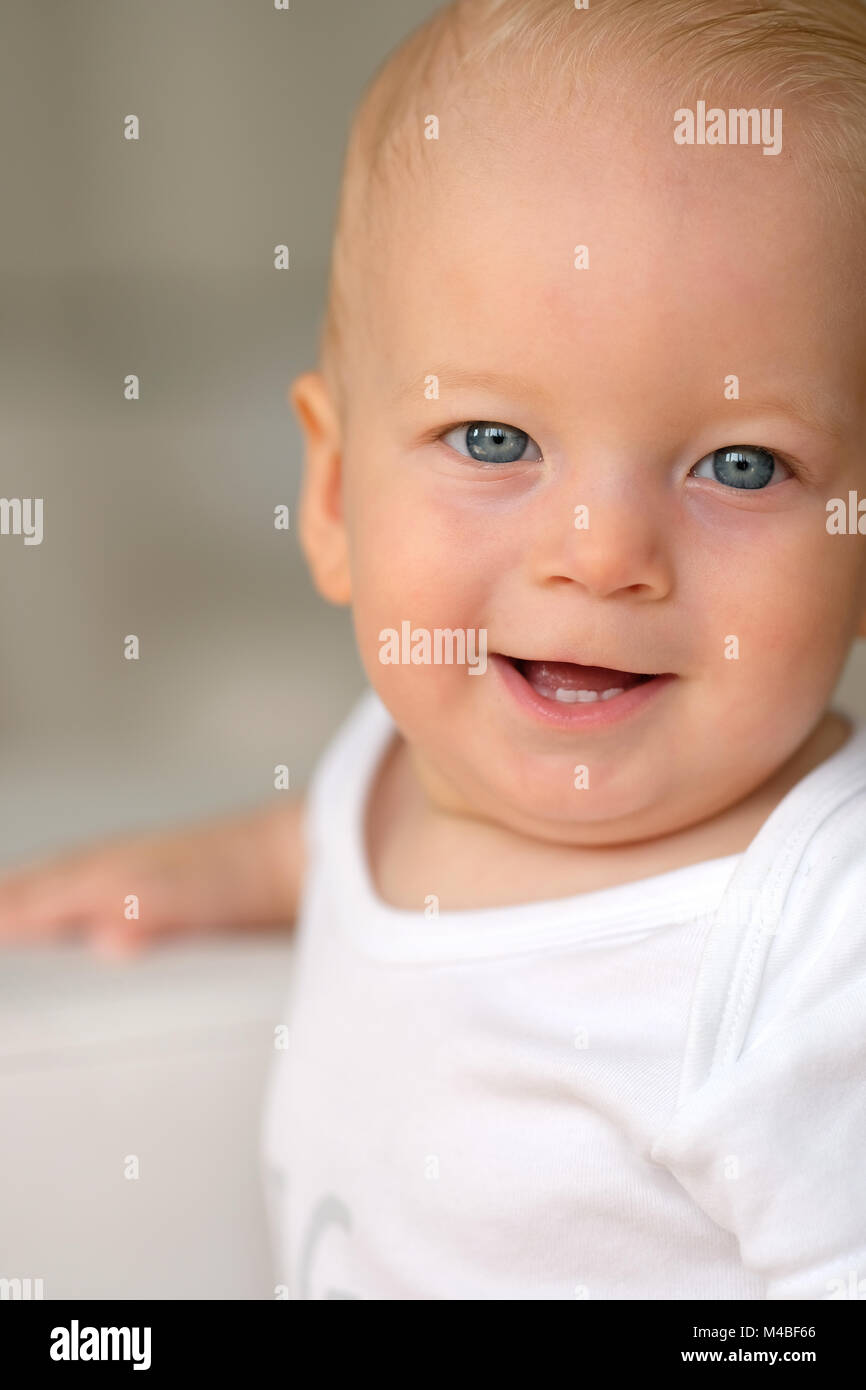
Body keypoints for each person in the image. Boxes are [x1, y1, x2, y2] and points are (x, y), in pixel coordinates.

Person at [3, 0, 866, 1298]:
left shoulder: (814, 936)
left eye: (739, 464)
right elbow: (330, 840)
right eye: (493, 441)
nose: (596, 551)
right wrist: (200, 867)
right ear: (340, 492)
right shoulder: (408, 752)